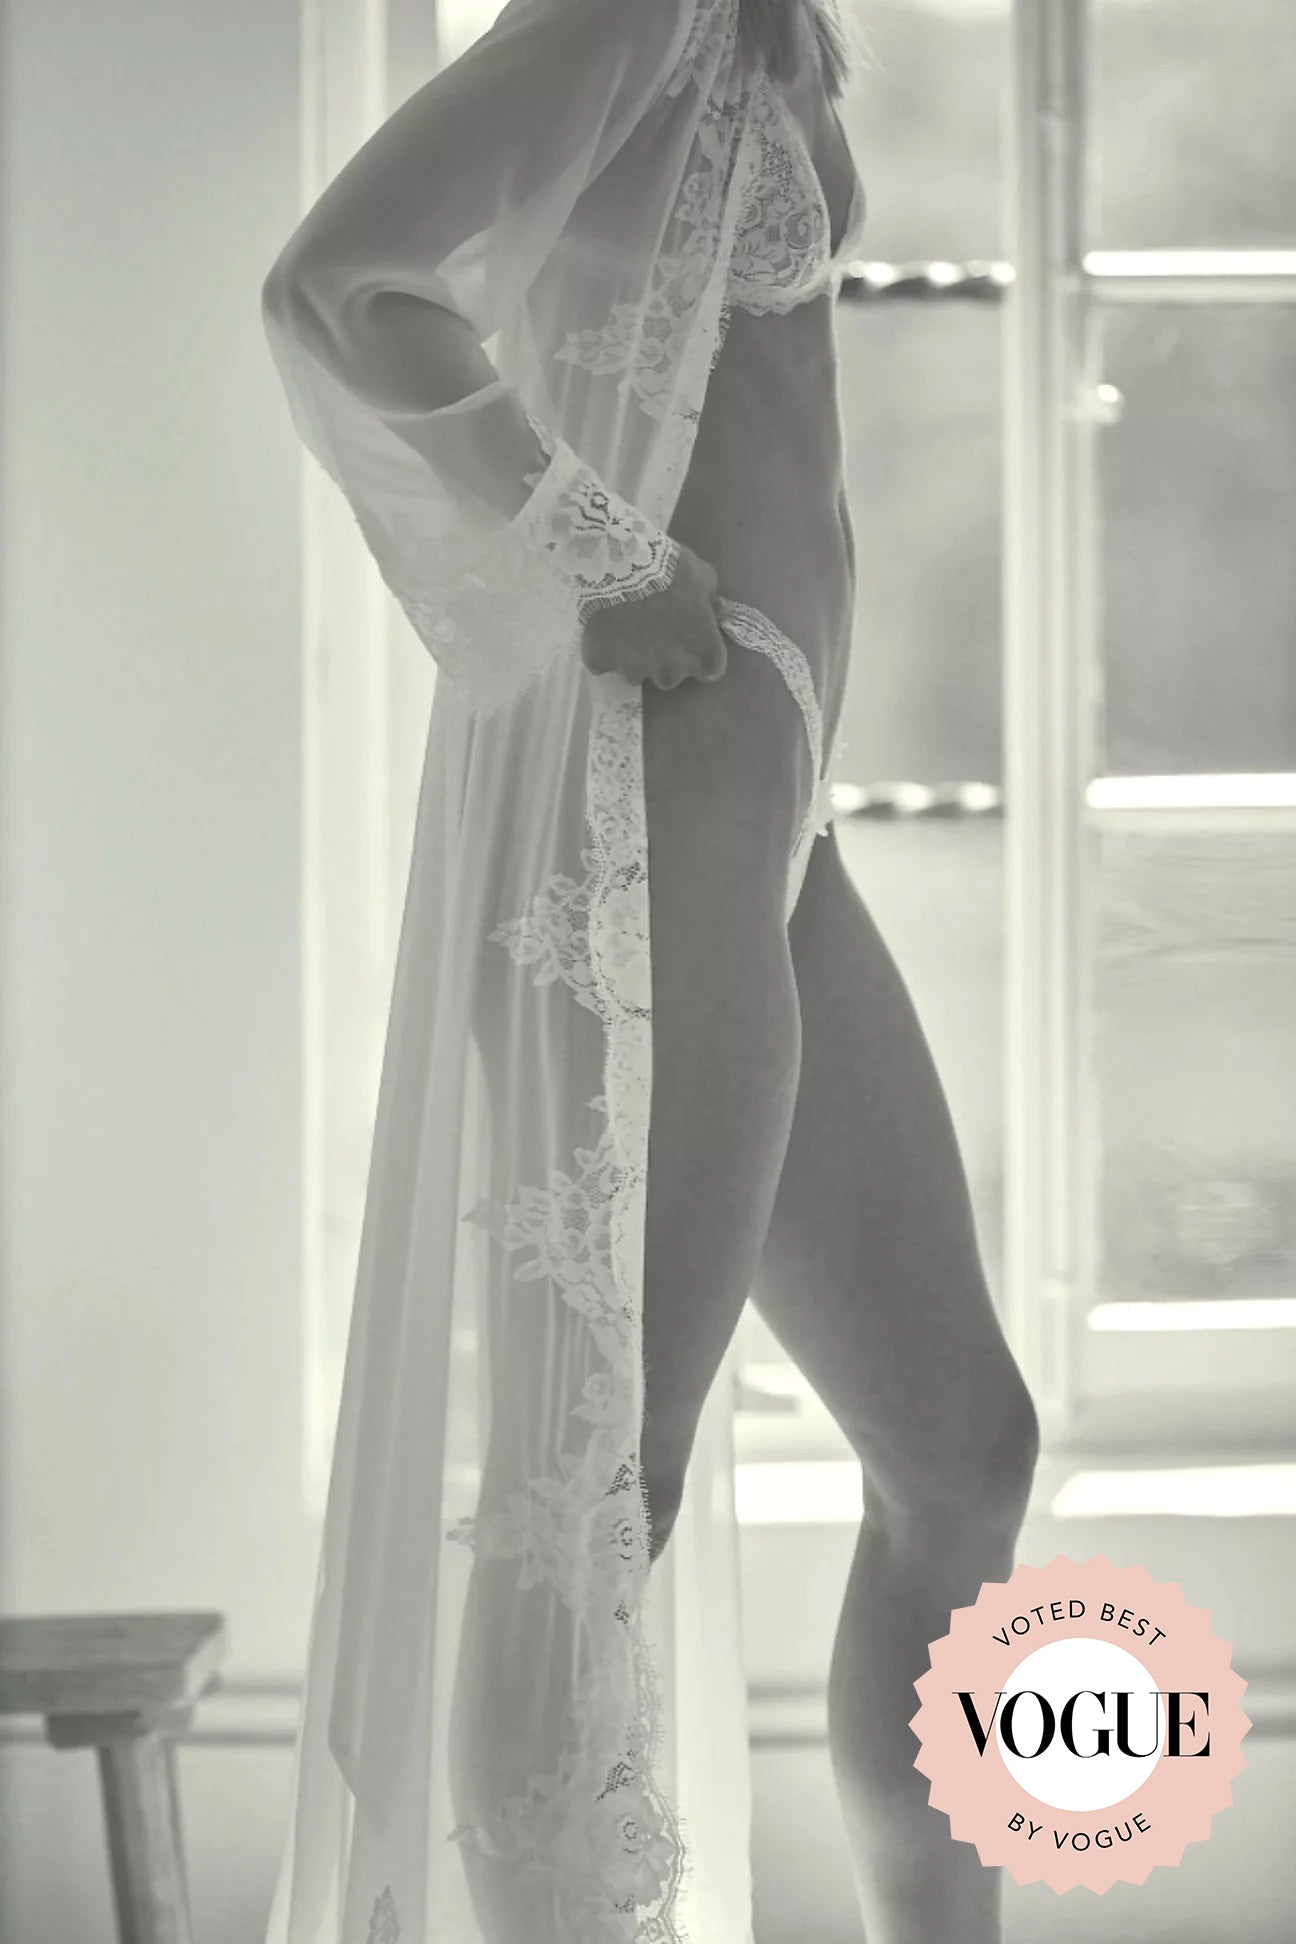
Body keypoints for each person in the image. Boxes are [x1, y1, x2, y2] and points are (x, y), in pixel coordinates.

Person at [259, 3, 1040, 1941]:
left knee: (963, 1454)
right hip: (655, 801)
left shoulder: (762, 25)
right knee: (608, 1490)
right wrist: (601, 552)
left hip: (773, 817)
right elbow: (343, 283)